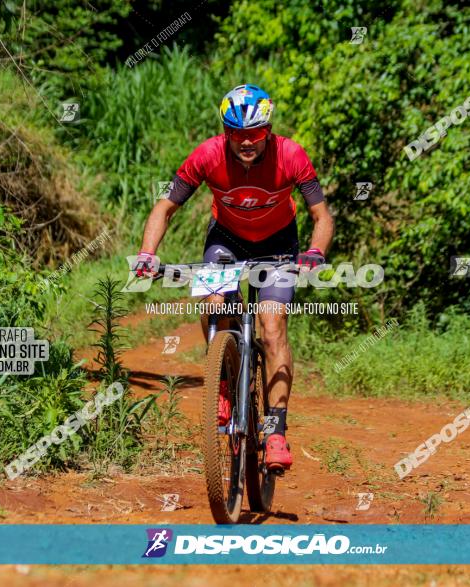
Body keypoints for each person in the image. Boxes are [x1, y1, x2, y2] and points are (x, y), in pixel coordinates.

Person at [132, 84, 334, 472]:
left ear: (268, 130)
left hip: (278, 244)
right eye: (236, 134)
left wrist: (314, 252)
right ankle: (225, 379)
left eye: (254, 134)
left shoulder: (291, 156)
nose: (245, 143)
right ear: (225, 131)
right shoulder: (207, 155)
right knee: (214, 304)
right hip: (225, 241)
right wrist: (147, 252)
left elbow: (321, 216)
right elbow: (165, 208)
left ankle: (275, 431)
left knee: (272, 327)